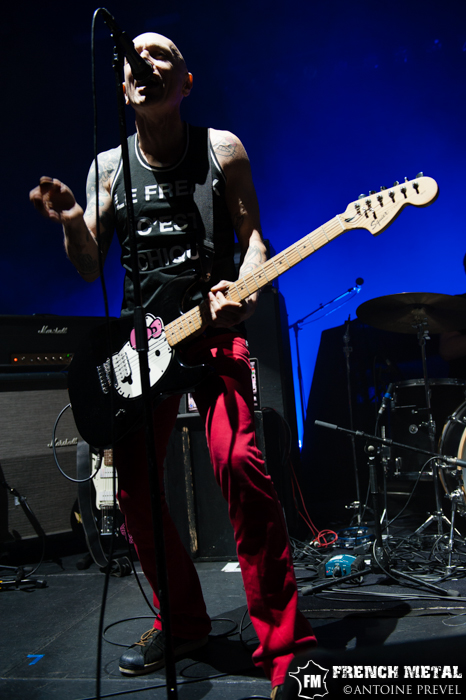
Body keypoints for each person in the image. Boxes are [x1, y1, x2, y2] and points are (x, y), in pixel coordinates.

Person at [29, 32, 316, 699]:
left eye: (163, 56)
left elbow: (254, 240)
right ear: (124, 87)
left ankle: (286, 648)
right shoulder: (108, 168)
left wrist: (245, 289)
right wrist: (71, 220)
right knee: (134, 495)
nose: (145, 64)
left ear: (186, 81)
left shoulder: (221, 149)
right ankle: (184, 621)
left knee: (240, 465)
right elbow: (87, 264)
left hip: (212, 336)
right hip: (142, 347)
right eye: (136, 58)